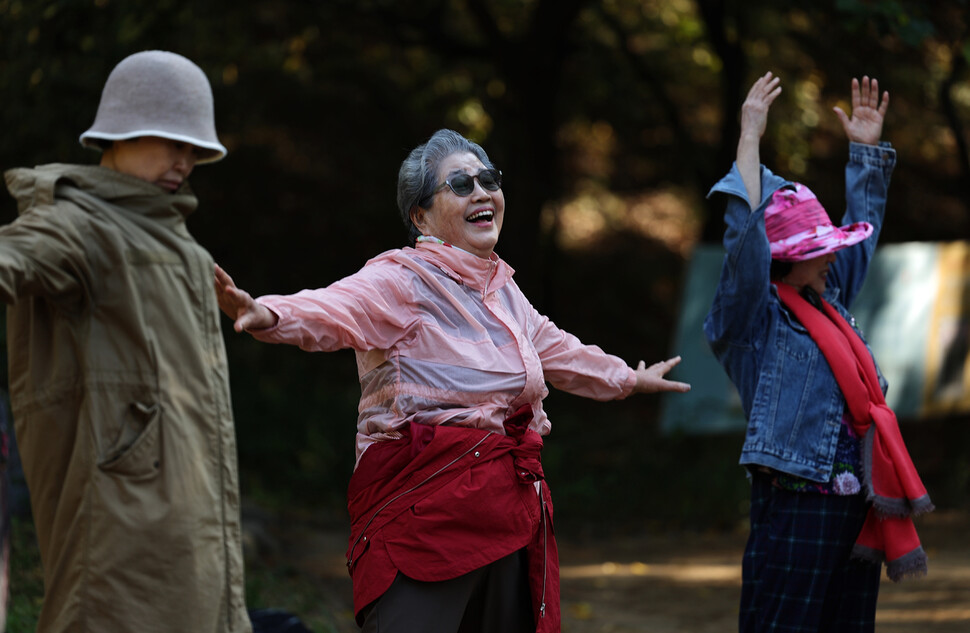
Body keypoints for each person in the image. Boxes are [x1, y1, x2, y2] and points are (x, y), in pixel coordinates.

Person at [215, 128, 691, 633]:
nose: (482, 192)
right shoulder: (401, 279)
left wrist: (627, 379)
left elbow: (560, 350)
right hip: (424, 522)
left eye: (488, 180)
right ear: (421, 217)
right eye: (460, 185)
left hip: (506, 515)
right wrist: (267, 314)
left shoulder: (504, 293)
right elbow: (337, 308)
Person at [1, 51, 250, 632]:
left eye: (195, 150)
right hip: (119, 529)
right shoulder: (79, 224)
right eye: (169, 141)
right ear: (121, 133)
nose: (183, 162)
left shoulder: (182, 245)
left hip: (193, 525)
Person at [704, 72, 933, 633]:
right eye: (819, 248)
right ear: (783, 258)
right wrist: (750, 138)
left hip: (856, 505)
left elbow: (866, 230)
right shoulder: (755, 322)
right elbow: (743, 247)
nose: (833, 257)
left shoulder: (825, 302)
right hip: (797, 503)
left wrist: (866, 151)